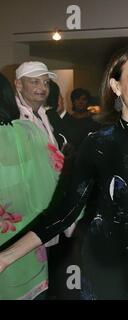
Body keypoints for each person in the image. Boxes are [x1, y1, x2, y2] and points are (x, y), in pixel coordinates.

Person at [0, 47, 128, 300]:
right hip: (103, 268)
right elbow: (64, 211)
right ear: (116, 86)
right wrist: (5, 258)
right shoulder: (97, 143)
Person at [0, 72, 62, 299]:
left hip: (21, 252)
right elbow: (59, 190)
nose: (41, 88)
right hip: (26, 254)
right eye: (34, 81)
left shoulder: (30, 131)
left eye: (45, 83)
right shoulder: (26, 133)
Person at [14, 61, 59, 146]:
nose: (43, 88)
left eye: (46, 82)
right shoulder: (14, 117)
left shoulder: (43, 114)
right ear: (19, 85)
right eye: (35, 82)